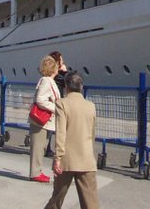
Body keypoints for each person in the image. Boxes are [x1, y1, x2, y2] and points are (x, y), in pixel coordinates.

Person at [45, 71, 99, 209]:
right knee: (90, 202)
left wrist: (57, 157)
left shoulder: (62, 104)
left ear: (66, 87)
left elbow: (61, 132)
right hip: (86, 158)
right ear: (81, 87)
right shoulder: (91, 106)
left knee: (57, 198)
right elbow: (92, 134)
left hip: (66, 159)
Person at [29, 54, 60, 183]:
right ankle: (35, 172)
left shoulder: (47, 80)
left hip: (44, 121)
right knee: (38, 146)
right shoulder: (47, 81)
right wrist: (55, 107)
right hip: (41, 120)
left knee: (41, 146)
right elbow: (40, 99)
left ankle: (37, 171)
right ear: (53, 68)